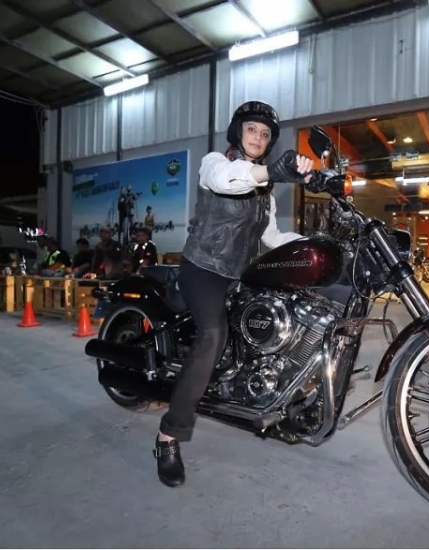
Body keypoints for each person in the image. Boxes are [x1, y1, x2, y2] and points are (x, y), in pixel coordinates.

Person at [154, 100, 314, 488]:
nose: (258, 138)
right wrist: (269, 171)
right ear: (238, 133)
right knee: (213, 335)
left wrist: (314, 244)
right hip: (202, 269)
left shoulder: (265, 192)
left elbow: (273, 237)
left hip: (237, 274)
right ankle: (169, 436)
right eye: (252, 130)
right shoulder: (215, 163)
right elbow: (228, 181)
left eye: (265, 134)